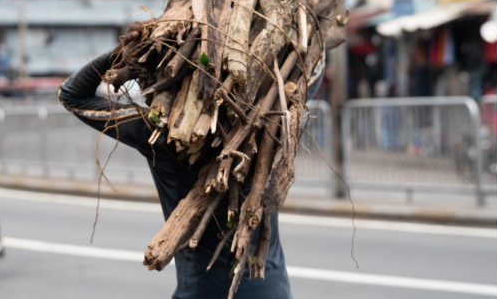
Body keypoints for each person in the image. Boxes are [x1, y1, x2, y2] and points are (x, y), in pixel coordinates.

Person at [60, 49, 325, 299]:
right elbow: (313, 62)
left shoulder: (158, 135)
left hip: (201, 292)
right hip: (271, 291)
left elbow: (72, 95)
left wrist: (121, 53)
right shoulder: (268, 116)